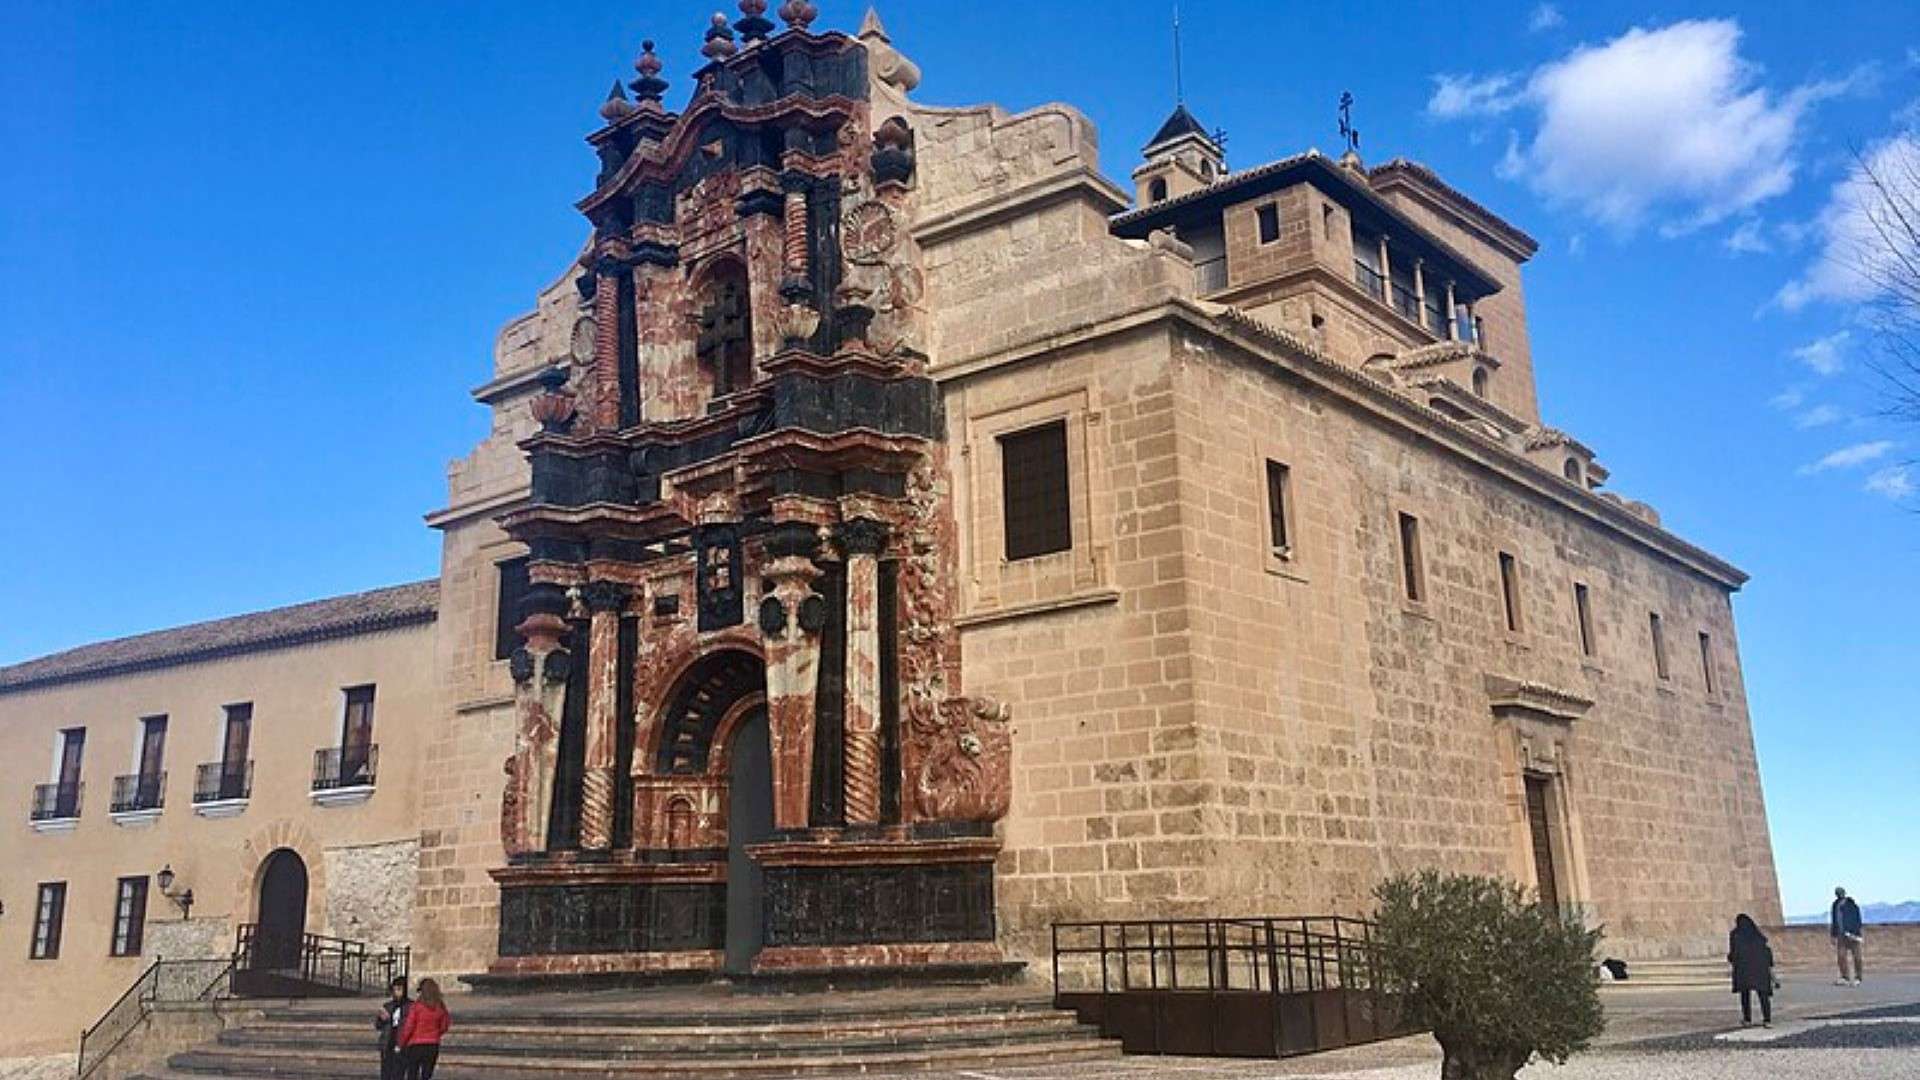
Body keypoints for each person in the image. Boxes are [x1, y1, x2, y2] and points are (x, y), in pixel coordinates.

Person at [395, 977, 451, 1079]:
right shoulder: (440, 1006)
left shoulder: (417, 1007)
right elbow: (444, 1025)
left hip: (415, 1044)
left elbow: (409, 1027)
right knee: (426, 1075)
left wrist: (401, 1043)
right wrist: (435, 1034)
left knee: (412, 1073)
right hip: (433, 1044)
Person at [1728, 914, 1775, 1028]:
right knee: (1763, 995)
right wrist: (1769, 966)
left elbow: (1733, 953)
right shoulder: (1757, 936)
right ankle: (1767, 1019)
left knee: (1745, 995)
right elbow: (1766, 951)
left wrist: (1732, 960)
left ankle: (1747, 1019)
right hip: (1760, 969)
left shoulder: (1736, 935)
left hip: (1744, 969)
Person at [373, 977, 411, 1080]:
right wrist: (381, 1019)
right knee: (386, 1073)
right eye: (394, 990)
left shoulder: (411, 1006)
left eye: (399, 989)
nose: (396, 993)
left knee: (398, 1073)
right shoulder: (388, 1005)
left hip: (402, 1043)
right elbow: (378, 1025)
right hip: (388, 1042)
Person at [1831, 886, 1864, 986]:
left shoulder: (1851, 904)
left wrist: (1855, 932)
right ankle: (1844, 976)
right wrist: (1833, 934)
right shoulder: (1835, 905)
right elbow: (1834, 920)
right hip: (1841, 935)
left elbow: (1857, 919)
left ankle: (1858, 977)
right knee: (1841, 957)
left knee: (1857, 956)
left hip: (1852, 934)